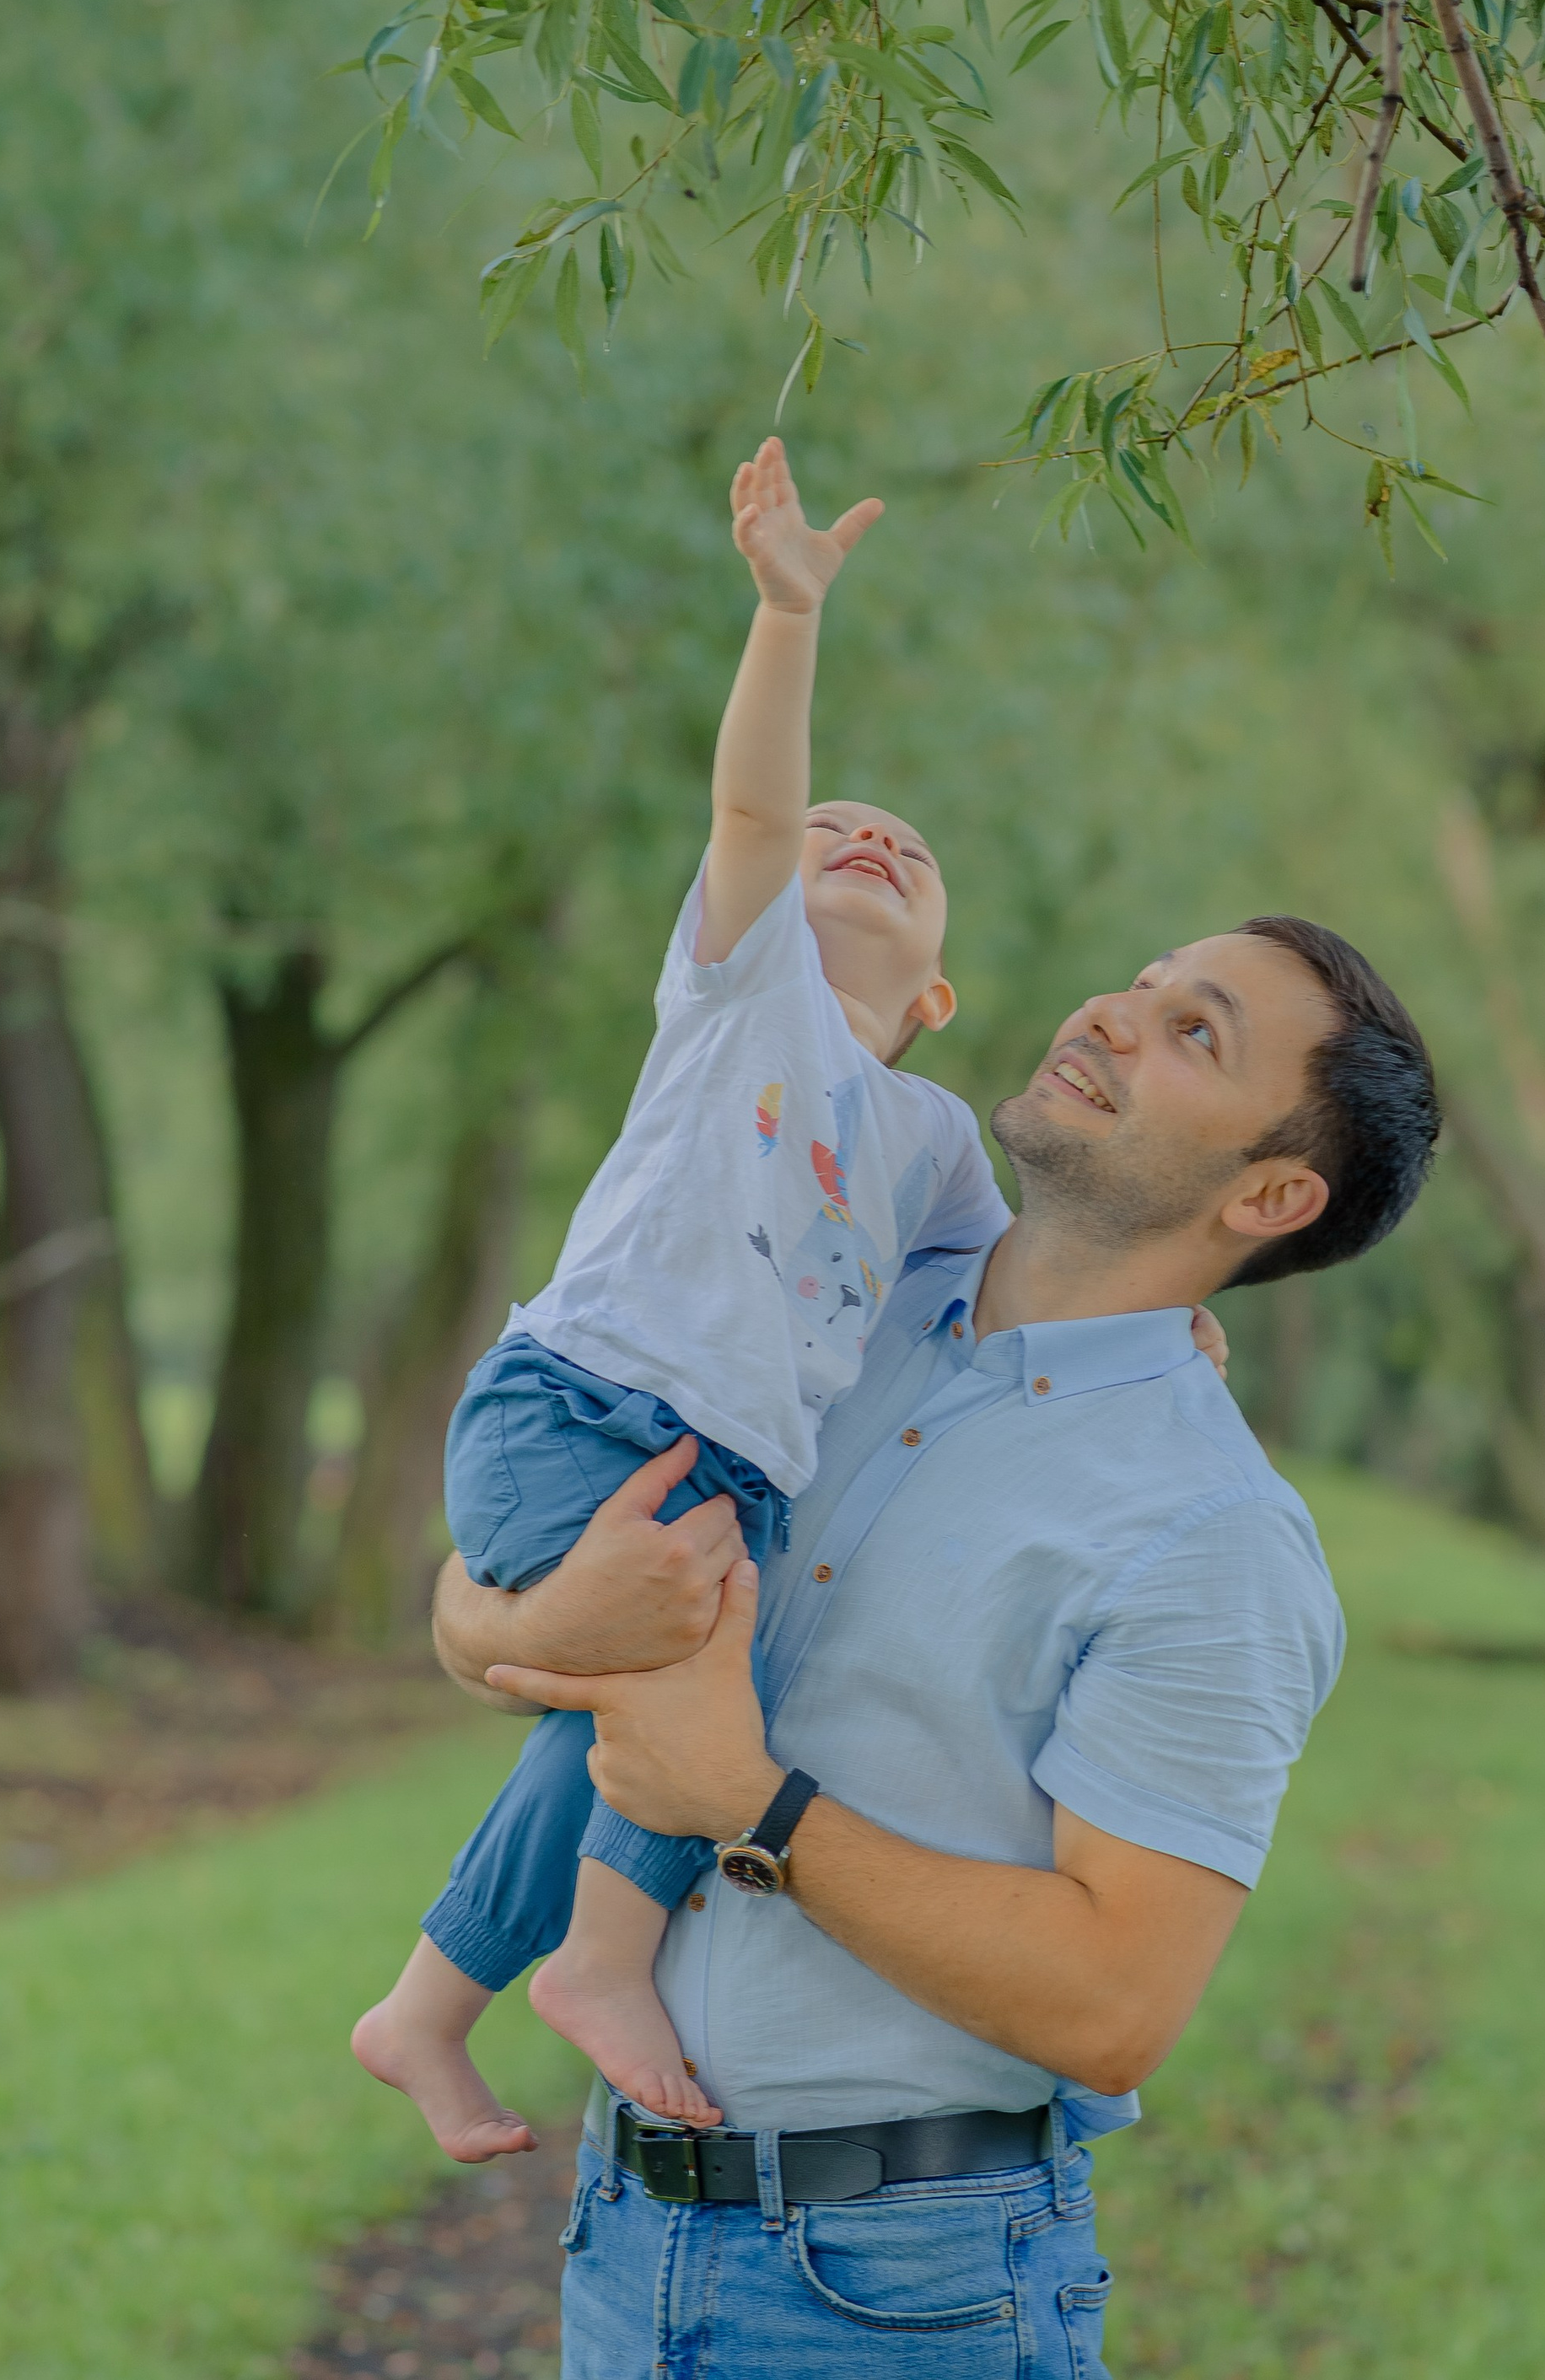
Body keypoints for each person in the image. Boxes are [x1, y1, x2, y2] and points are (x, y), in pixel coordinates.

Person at [439, 901, 1440, 2375]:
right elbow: (489, 1577)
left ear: (1275, 1195)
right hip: (622, 2237)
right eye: (1145, 981)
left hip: (901, 2293)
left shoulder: (1212, 1537)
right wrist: (531, 1622)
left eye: (1194, 1032)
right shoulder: (813, 1296)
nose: (1112, 1013)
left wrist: (751, 1803)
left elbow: (1114, 2007)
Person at [354, 438, 1035, 2155]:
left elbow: (1012, 1287)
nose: (864, 837)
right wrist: (786, 617)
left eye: (905, 849)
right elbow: (751, 810)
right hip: (579, 1406)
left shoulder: (936, 1140)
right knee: (696, 1698)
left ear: (939, 996)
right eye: (837, 829)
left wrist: (1165, 1317)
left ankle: (425, 2008)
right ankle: (597, 1963)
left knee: (617, 1738)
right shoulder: (746, 993)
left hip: (720, 1467)